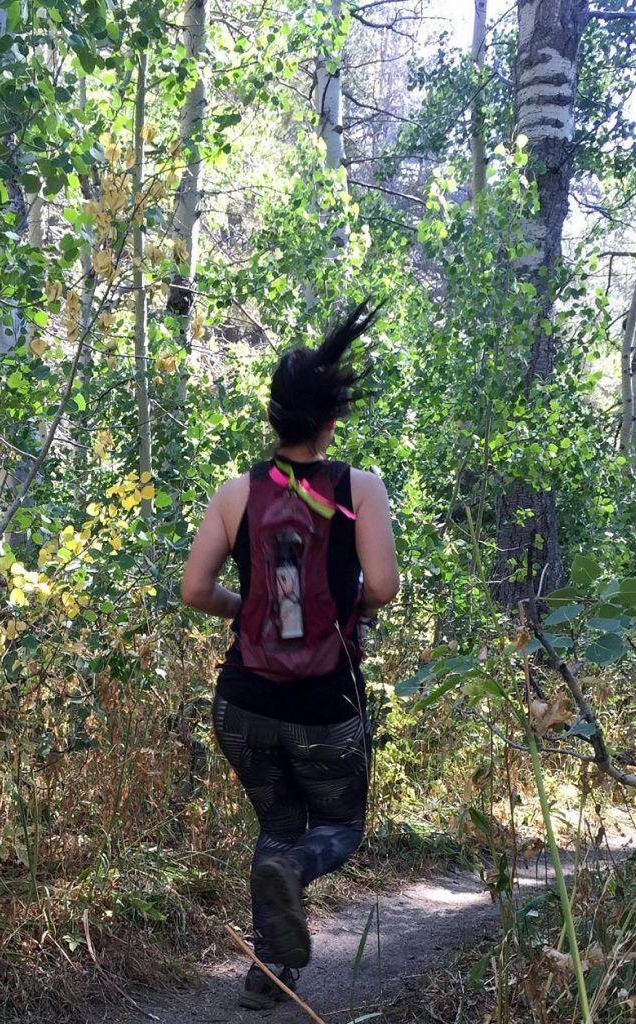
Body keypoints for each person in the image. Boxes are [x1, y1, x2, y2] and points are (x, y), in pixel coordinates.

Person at [181, 304, 400, 1010]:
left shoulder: (235, 492)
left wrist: (245, 609)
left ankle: (265, 974)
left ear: (273, 417)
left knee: (275, 826)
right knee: (338, 827)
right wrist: (346, 607)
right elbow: (384, 589)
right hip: (323, 703)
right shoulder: (357, 488)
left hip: (242, 701)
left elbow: (193, 589)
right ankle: (296, 875)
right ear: (329, 420)